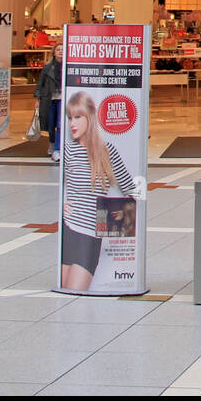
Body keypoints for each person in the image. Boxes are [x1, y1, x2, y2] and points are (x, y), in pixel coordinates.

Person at [60, 91, 138, 291]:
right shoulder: (68, 150)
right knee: (66, 292)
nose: (72, 123)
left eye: (78, 117)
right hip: (69, 229)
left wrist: (114, 221)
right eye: (70, 118)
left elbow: (131, 189)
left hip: (90, 234)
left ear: (90, 118)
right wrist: (62, 202)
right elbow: (62, 186)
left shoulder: (107, 150)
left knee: (76, 292)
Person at [34, 43, 65, 161]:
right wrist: (37, 99)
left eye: (63, 49)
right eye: (58, 49)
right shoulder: (47, 67)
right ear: (54, 52)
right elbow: (40, 84)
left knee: (60, 124)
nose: (61, 51)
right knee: (50, 125)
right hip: (49, 98)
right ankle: (52, 144)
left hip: (62, 99)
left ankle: (57, 149)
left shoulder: (68, 66)